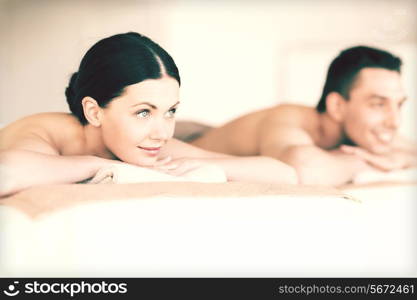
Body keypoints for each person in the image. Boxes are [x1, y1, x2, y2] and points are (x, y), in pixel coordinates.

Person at [0, 32, 297, 197]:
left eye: (170, 112)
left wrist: (189, 162)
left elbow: (283, 173)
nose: (162, 133)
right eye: (144, 112)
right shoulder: (42, 133)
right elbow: (7, 174)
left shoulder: (151, 140)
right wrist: (96, 165)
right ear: (93, 111)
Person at [189, 46, 416, 185]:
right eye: (378, 105)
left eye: (398, 105)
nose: (394, 121)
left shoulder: (365, 130)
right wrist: (363, 161)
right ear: (337, 106)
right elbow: (303, 169)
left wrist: (401, 159)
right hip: (189, 141)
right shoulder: (288, 121)